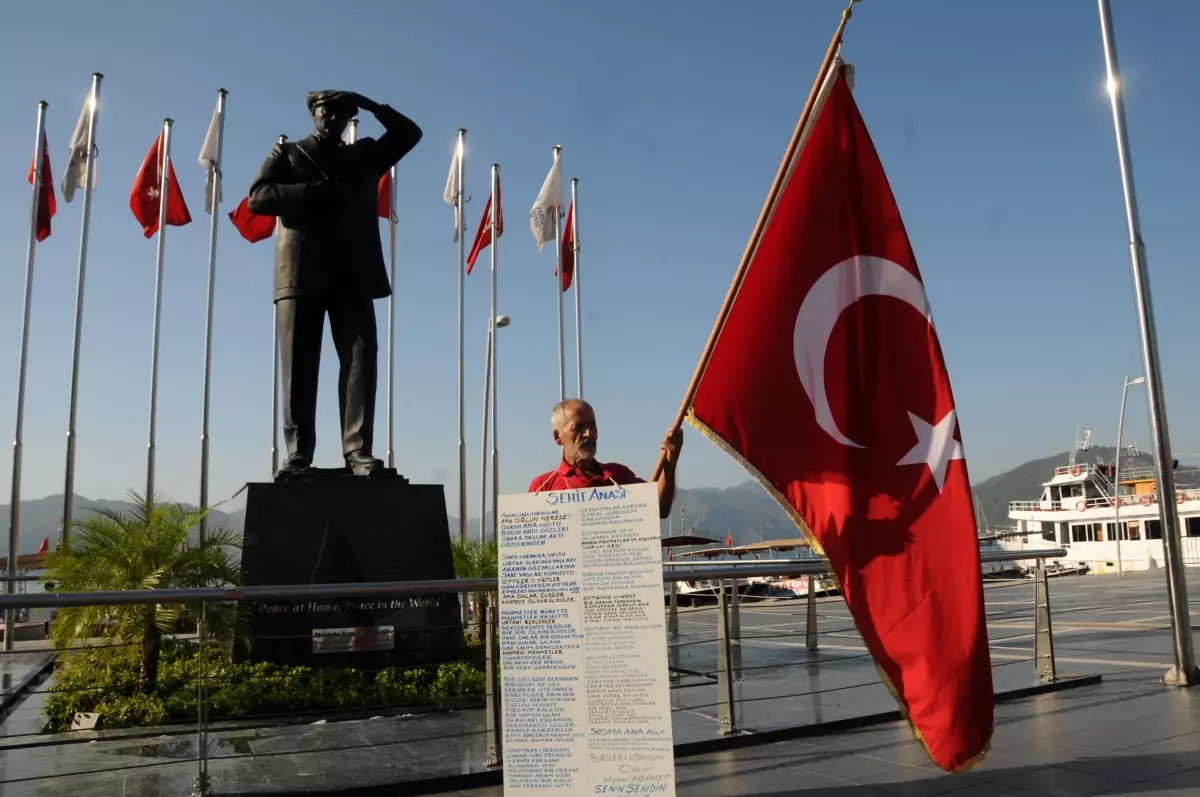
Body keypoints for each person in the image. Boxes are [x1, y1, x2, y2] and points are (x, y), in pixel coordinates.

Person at [248, 90, 422, 477]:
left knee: (363, 355)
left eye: (342, 112)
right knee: (299, 364)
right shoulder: (289, 153)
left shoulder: (362, 156)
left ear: (348, 118)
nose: (332, 118)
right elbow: (256, 198)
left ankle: (358, 450)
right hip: (299, 270)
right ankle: (297, 454)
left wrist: (374, 104)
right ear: (314, 113)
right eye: (326, 111)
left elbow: (410, 134)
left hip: (353, 271)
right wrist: (307, 193)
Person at [528, 399, 682, 519]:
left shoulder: (619, 475)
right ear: (558, 437)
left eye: (592, 425)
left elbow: (659, 509)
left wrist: (670, 463)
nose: (589, 433)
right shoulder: (542, 487)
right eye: (578, 427)